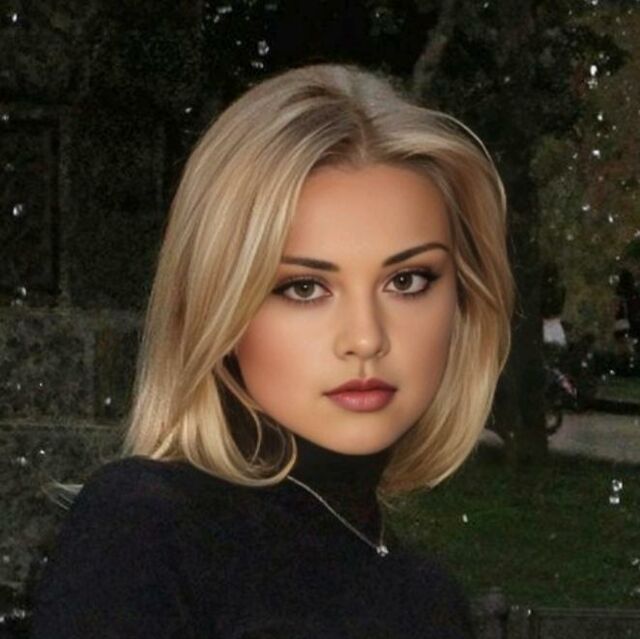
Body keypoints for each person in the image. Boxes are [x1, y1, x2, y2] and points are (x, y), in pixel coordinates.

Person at [29, 62, 514, 638]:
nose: (366, 338)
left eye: (406, 281)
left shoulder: (432, 596)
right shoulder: (146, 527)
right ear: (221, 308)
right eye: (304, 288)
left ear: (463, 300)